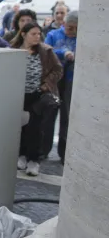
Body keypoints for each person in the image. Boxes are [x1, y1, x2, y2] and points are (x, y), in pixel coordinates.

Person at [10, 23, 62, 176]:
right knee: (20, 127)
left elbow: (58, 70)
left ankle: (34, 160)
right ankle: (21, 155)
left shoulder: (45, 51)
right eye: (33, 34)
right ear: (23, 34)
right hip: (18, 95)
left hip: (37, 95)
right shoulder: (13, 51)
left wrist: (46, 85)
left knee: (35, 128)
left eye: (39, 34)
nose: (37, 37)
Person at [45, 11, 78, 164]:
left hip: (71, 81)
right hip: (53, 80)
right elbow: (45, 50)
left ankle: (64, 153)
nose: (70, 31)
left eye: (74, 28)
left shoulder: (81, 38)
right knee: (48, 115)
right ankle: (43, 150)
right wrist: (63, 52)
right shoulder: (53, 35)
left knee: (67, 117)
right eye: (68, 27)